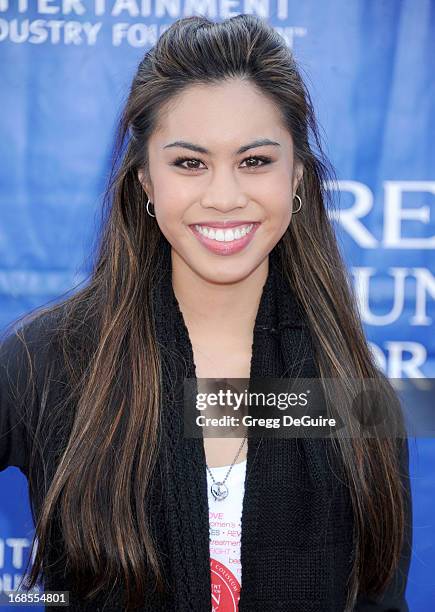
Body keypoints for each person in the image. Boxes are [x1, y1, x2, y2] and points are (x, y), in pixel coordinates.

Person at [0, 13, 412, 612]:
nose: (223, 195)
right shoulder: (50, 360)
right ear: (144, 178)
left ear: (296, 176)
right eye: (190, 163)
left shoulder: (354, 391)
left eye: (255, 161)